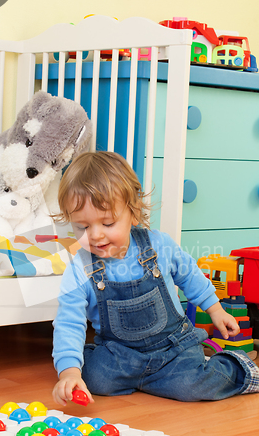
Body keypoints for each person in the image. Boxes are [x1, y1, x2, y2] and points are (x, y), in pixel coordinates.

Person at [51, 151, 259, 406]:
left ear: (133, 213)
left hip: (172, 350)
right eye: (82, 227)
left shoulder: (158, 245)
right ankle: (141, 379)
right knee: (94, 378)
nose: (95, 236)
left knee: (191, 386)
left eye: (107, 223)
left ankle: (239, 369)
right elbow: (69, 323)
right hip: (120, 355)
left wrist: (215, 309)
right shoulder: (79, 267)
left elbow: (190, 275)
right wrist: (69, 372)